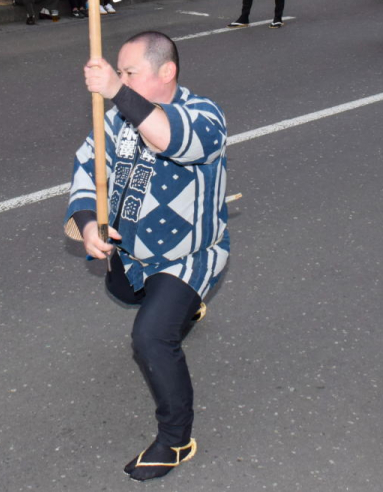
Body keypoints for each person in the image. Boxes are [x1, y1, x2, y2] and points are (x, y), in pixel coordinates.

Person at [68, 31, 228, 482]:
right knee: (118, 287)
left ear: (167, 72)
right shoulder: (115, 119)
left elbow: (173, 140)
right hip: (134, 251)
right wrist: (86, 223)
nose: (118, 79)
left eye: (128, 72)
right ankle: (183, 307)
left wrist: (116, 92)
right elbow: (86, 168)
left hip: (189, 254)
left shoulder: (204, 114)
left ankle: (176, 440)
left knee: (151, 338)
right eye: (118, 72)